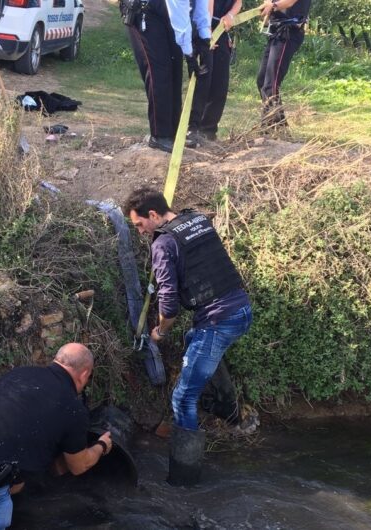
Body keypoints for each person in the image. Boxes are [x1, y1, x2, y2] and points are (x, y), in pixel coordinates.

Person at [122, 187, 252, 486]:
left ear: (153, 215)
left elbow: (169, 306)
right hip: (241, 310)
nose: (141, 232)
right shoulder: (197, 220)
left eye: (140, 225)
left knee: (183, 397)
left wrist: (159, 331)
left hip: (219, 322)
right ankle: (230, 410)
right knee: (194, 340)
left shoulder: (164, 243)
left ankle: (183, 478)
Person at [0, 343, 113, 530]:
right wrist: (102, 445)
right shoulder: (72, 408)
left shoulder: (22, 373)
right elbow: (79, 466)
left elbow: (9, 425)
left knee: (8, 488)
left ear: (58, 359)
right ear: (85, 374)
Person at [120, 0, 213, 153]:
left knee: (175, 68)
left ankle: (173, 132)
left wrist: (204, 39)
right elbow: (179, 8)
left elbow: (200, 5)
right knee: (159, 71)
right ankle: (160, 135)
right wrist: (189, 53)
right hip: (145, 11)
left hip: (167, 13)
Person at [187, 0, 243, 145]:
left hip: (222, 29)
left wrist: (230, 15)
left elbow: (238, 2)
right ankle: (192, 128)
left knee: (220, 82)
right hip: (203, 24)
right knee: (203, 80)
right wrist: (207, 32)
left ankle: (208, 130)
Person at [256, 0, 312, 129]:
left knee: (271, 84)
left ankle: (270, 129)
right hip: (276, 31)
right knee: (262, 80)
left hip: (289, 32)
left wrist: (274, 6)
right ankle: (280, 126)